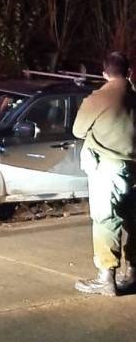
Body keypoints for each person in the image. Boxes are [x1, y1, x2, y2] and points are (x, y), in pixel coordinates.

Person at [72, 51, 136, 297]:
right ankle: (133, 273)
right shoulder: (134, 97)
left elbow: (78, 130)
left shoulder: (98, 98)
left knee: (106, 219)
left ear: (104, 73)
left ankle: (106, 278)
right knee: (133, 220)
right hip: (133, 168)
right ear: (128, 72)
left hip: (107, 168)